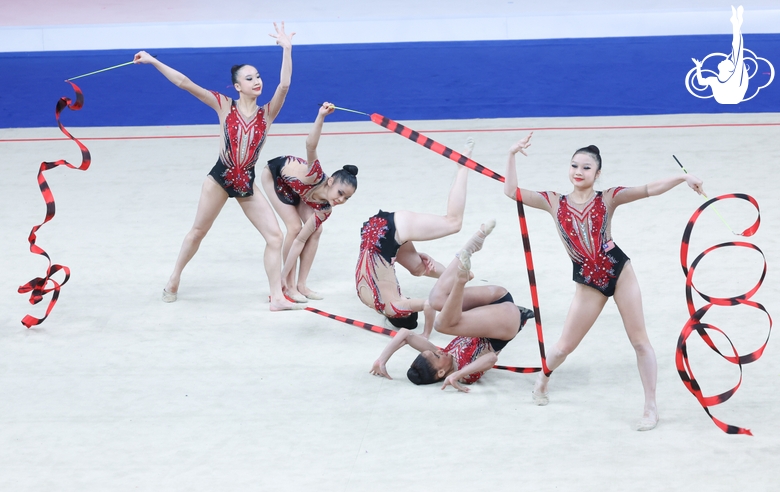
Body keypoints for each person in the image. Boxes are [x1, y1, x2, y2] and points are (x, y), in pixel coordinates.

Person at [503, 132, 705, 430]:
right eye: (574, 166)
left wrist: (682, 178)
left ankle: (650, 407)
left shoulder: (608, 197)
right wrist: (511, 154)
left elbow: (649, 189)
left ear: (597, 173)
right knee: (562, 348)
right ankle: (543, 378)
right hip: (587, 283)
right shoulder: (553, 201)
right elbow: (512, 192)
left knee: (640, 342)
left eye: (586, 167)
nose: (578, 172)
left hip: (619, 271)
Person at [134, 22, 300, 311]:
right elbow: (184, 83)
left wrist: (287, 49)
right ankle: (174, 279)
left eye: (258, 76)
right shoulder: (224, 105)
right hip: (220, 178)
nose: (257, 81)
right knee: (198, 232)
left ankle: (276, 297)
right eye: (250, 79)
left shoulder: (268, 113)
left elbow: (284, 85)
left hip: (246, 183)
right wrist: (152, 60)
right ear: (238, 86)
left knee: (275, 236)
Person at [370, 223, 534, 391]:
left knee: (435, 300)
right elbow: (491, 358)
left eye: (434, 352)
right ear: (441, 372)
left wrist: (381, 360)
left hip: (496, 300)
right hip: (506, 322)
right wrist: (456, 375)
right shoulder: (464, 375)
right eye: (436, 355)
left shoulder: (442, 356)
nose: (438, 350)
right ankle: (460, 281)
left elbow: (405, 334)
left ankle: (471, 247)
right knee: (441, 325)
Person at [355, 139, 476, 332]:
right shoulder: (368, 300)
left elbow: (429, 305)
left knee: (453, 222)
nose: (408, 299)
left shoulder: (395, 306)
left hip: (389, 232)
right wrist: (401, 253)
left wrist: (426, 334)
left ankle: (462, 168)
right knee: (419, 268)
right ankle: (457, 276)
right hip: (372, 234)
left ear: (402, 313)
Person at [260, 103, 358, 302]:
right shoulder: (315, 175)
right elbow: (310, 145)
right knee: (294, 227)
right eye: (340, 193)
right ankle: (288, 285)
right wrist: (321, 116)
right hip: (275, 177)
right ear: (330, 181)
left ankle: (301, 285)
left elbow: (301, 242)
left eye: (346, 198)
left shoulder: (326, 208)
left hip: (301, 192)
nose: (340, 200)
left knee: (315, 231)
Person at [692, 5, 748, 104]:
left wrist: (736, 26)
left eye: (726, 61)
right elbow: (701, 82)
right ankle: (736, 25)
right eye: (726, 60)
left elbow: (738, 49)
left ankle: (736, 25)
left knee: (737, 52)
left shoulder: (734, 76)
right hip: (728, 98)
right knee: (737, 53)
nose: (724, 60)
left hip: (733, 97)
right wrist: (698, 67)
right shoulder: (714, 80)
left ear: (729, 69)